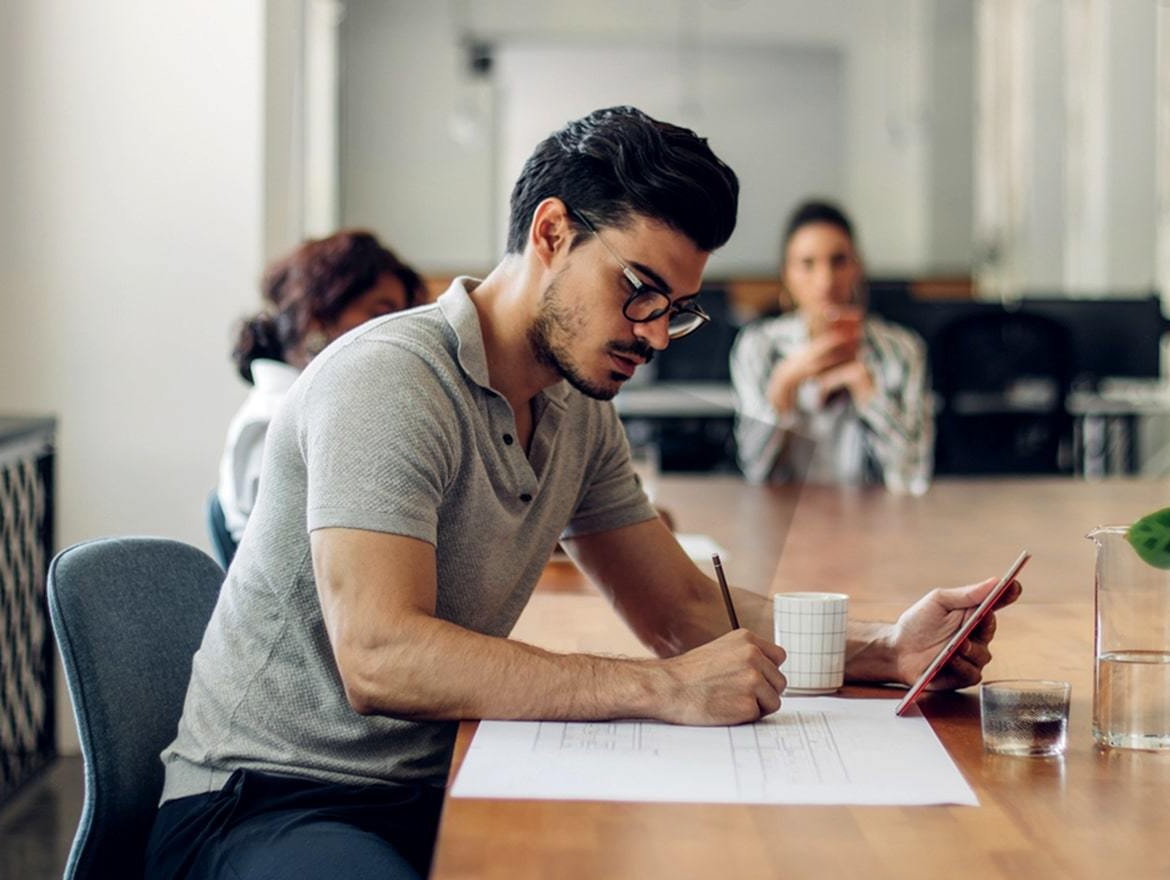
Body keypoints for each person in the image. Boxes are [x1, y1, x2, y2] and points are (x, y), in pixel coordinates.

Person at [148, 107, 1018, 880]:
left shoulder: (574, 404)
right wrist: (663, 690)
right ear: (552, 232)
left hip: (440, 776)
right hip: (271, 800)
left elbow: (679, 602)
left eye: (675, 309)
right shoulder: (389, 380)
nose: (654, 336)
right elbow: (380, 655)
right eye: (639, 292)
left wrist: (885, 648)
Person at [217, 229, 426, 543]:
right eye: (380, 313)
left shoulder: (328, 408)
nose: (396, 330)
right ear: (318, 317)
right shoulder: (270, 422)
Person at [730, 201, 934, 493]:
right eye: (807, 264)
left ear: (857, 268)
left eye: (838, 261)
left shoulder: (903, 350)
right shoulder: (758, 347)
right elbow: (755, 472)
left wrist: (867, 392)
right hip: (784, 523)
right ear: (786, 274)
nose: (825, 281)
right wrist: (784, 384)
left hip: (876, 523)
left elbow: (913, 477)